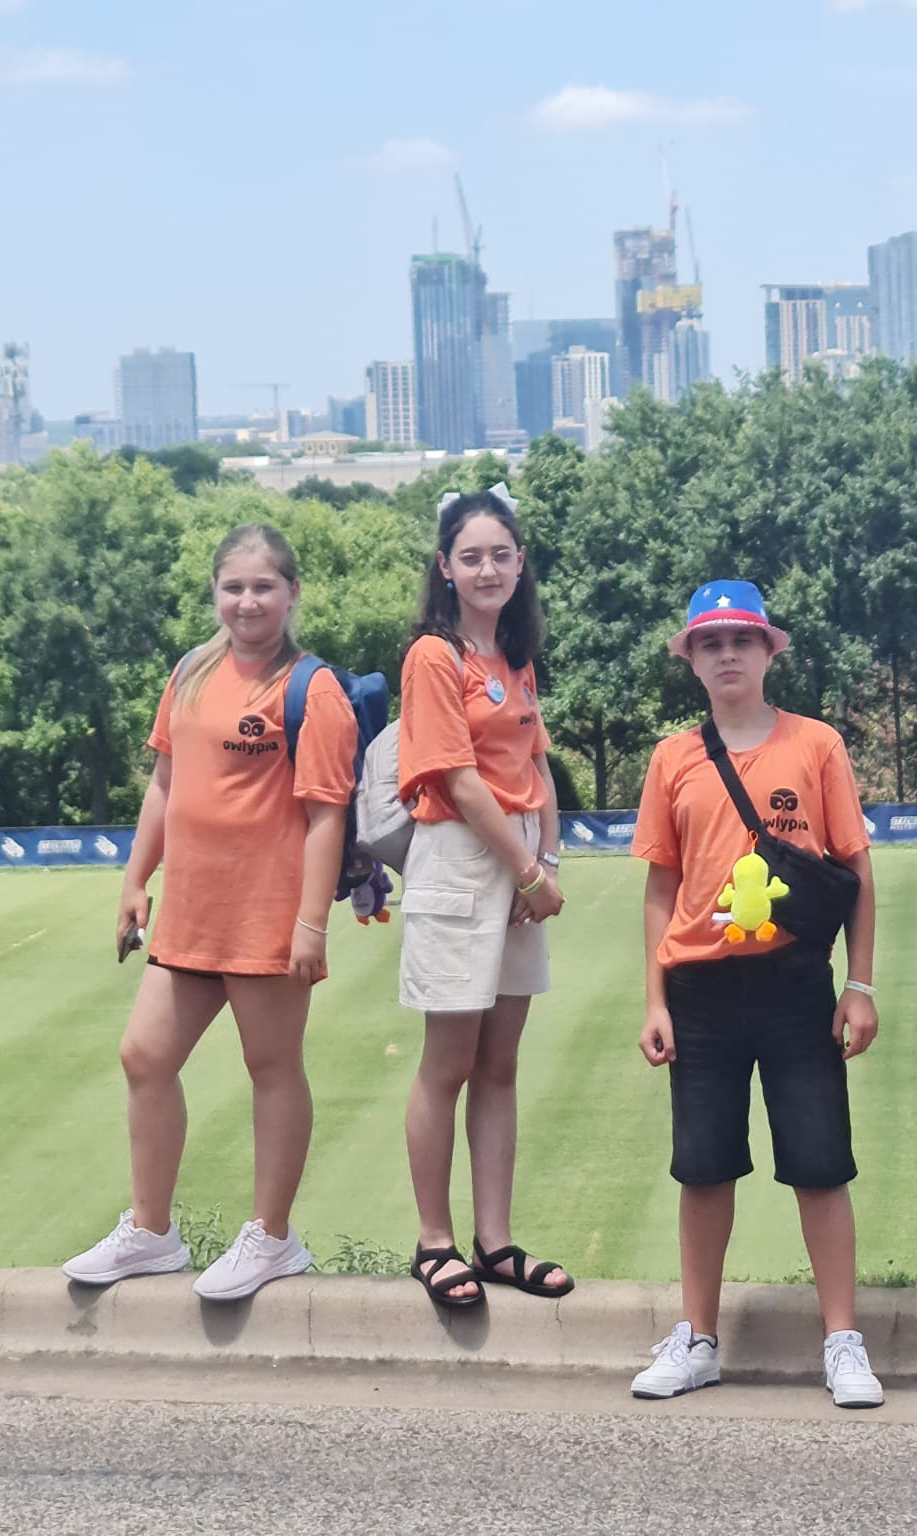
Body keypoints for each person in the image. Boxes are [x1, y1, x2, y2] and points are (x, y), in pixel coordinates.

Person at [62, 523, 357, 1301]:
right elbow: (164, 782)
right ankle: (153, 1232)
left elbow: (327, 813)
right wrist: (134, 880)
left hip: (267, 914)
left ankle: (271, 1238)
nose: (248, 601)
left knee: (271, 1070)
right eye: (234, 587)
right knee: (144, 1057)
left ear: (292, 592)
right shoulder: (191, 672)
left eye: (264, 586)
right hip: (189, 913)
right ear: (215, 594)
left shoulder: (311, 689)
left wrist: (310, 924)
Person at [631, 579, 885, 1409]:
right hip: (700, 989)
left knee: (819, 1163)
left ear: (771, 650)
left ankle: (842, 1341)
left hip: (792, 983)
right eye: (711, 643)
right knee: (703, 1169)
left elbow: (854, 873)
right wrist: (655, 1000)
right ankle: (698, 1337)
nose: (728, 654)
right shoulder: (673, 757)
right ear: (692, 660)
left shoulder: (816, 746)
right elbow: (660, 890)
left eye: (742, 639)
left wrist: (860, 985)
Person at [397, 484, 574, 1309]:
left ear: (520, 561)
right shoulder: (435, 656)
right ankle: (435, 1242)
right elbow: (460, 783)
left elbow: (535, 766)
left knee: (500, 1065)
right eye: (471, 556)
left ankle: (494, 1242)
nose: (488, 567)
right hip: (465, 864)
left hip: (518, 866)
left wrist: (552, 855)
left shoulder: (514, 655)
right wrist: (530, 872)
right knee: (448, 1064)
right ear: (445, 567)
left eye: (501, 553)